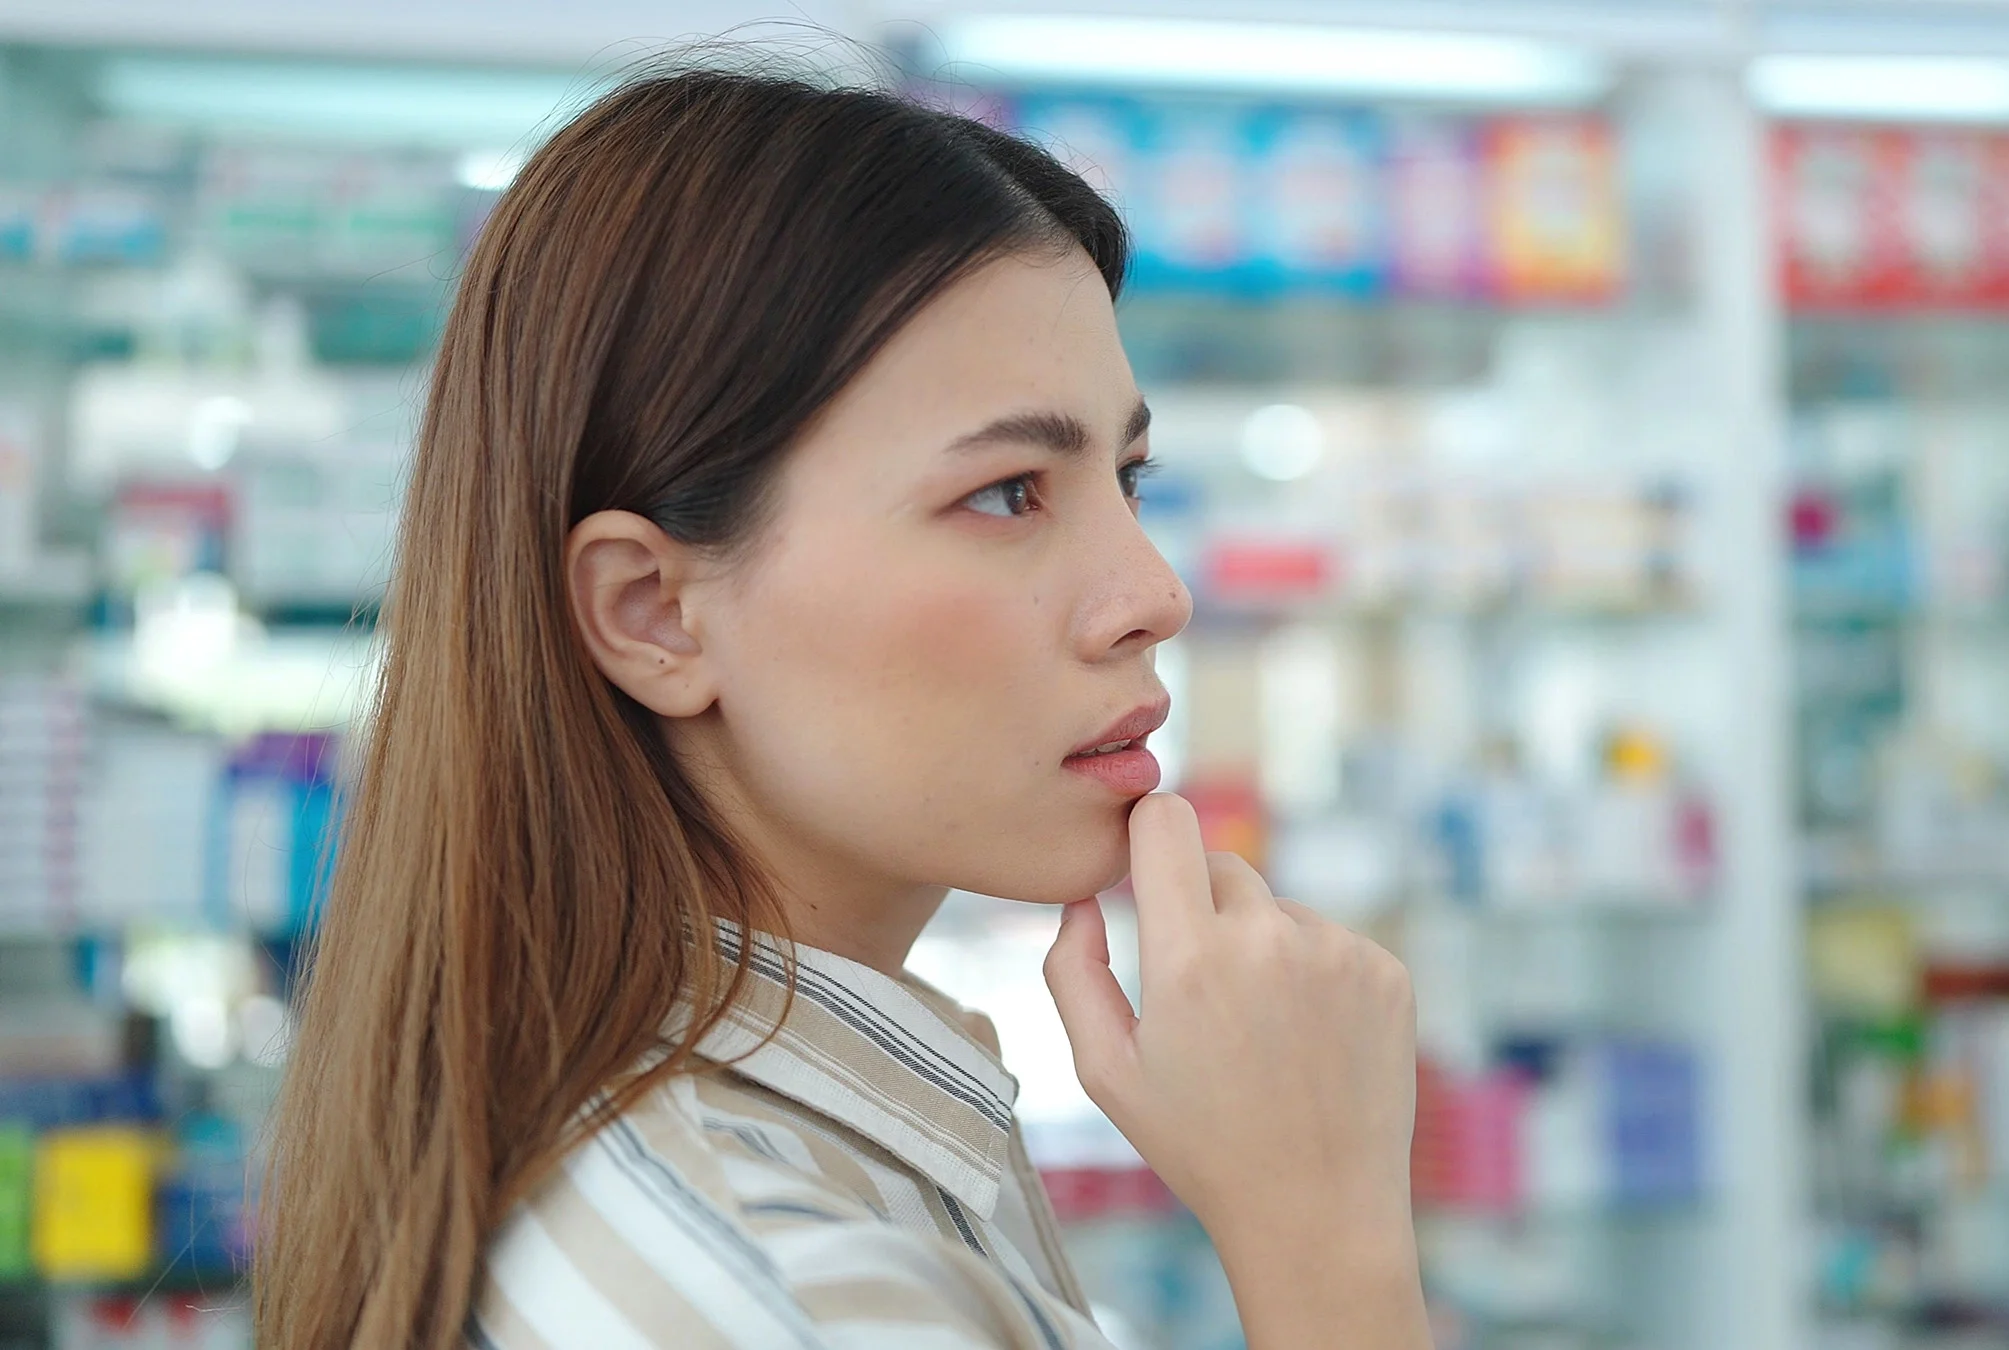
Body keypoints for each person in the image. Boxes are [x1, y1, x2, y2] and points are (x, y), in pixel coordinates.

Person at [253, 63, 1432, 1350]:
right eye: (1008, 493)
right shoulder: (800, 1293)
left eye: (1128, 475)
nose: (1154, 595)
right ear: (654, 612)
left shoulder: (767, 1159)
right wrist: (1326, 1240)